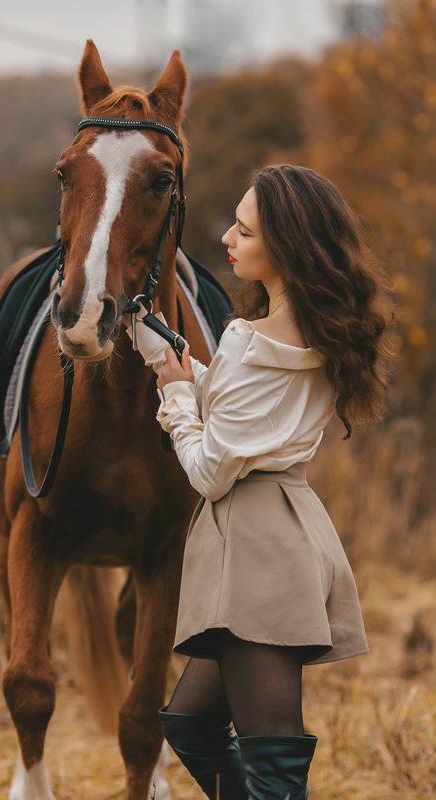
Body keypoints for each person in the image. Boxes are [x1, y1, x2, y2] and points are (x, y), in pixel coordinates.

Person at [123, 164, 396, 800]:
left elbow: (211, 472)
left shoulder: (251, 344)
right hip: (285, 527)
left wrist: (176, 397)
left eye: (244, 231)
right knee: (191, 723)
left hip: (257, 545)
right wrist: (199, 375)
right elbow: (255, 417)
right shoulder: (323, 334)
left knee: (272, 768)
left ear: (287, 246)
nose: (228, 237)